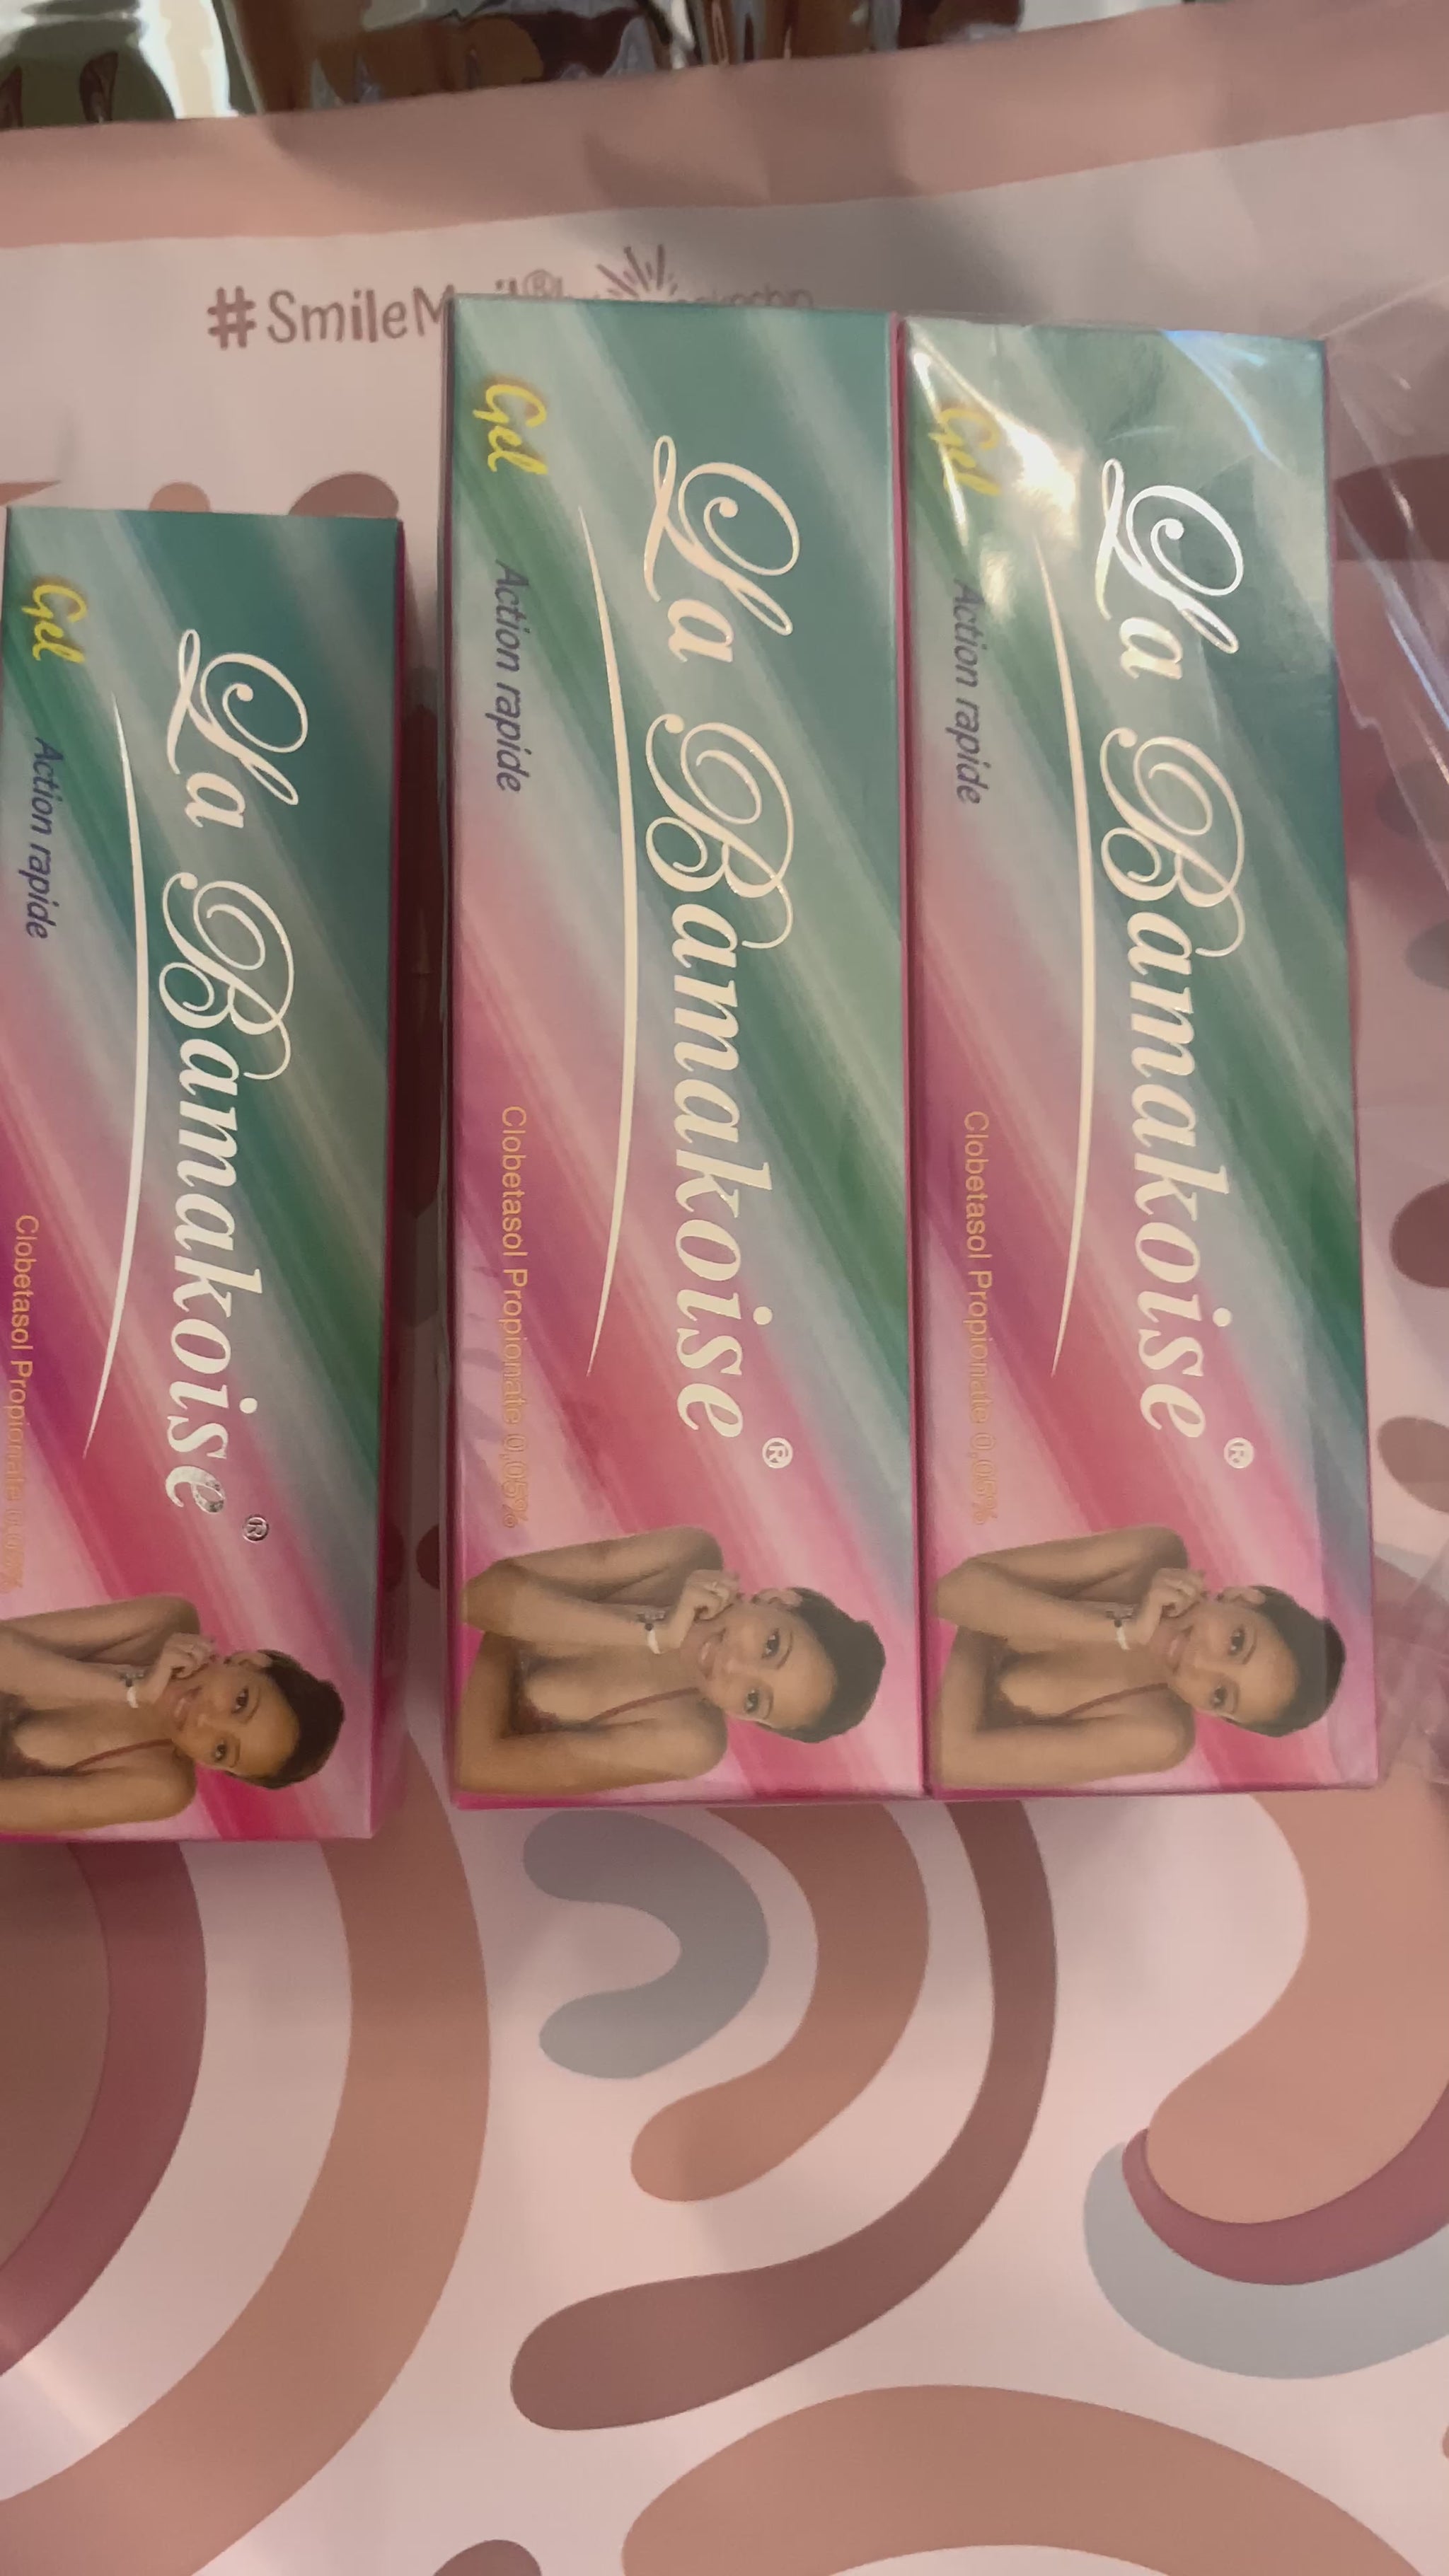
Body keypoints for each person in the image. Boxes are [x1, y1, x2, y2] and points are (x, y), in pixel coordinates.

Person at [454, 1525, 885, 1795]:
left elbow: (477, 1768)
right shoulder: (686, 1556)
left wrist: (655, 1636)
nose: (733, 1668)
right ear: (777, 1600)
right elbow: (476, 1595)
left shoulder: (689, 1742)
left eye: (754, 1699)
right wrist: (651, 1630)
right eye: (771, 1646)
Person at [931, 1525, 1344, 1791]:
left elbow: (948, 1760)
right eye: (1236, 1643)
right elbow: (950, 1590)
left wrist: (1123, 1631)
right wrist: (1119, 1624)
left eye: (1220, 1695)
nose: (1200, 1665)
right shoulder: (1151, 1554)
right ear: (1242, 1597)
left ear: (1216, 1714)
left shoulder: (1158, 1735)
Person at [0, 1595, 344, 1834]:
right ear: (248, 1662)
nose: (205, 1722)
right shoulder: (164, 1624)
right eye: (240, 1703)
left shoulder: (161, 1786)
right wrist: (130, 1688)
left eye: (222, 1750)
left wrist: (139, 1692)